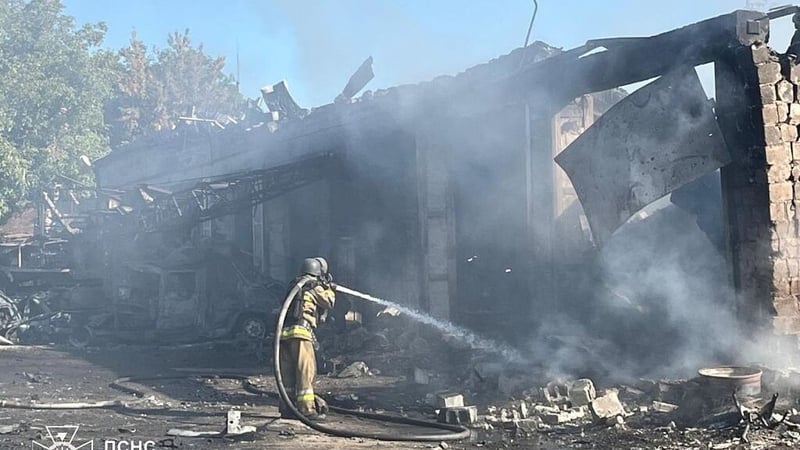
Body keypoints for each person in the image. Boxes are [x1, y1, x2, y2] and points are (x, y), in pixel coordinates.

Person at [278, 257, 336, 420]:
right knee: (305, 370)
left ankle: (287, 408)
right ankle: (306, 409)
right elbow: (329, 302)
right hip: (301, 332)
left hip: (283, 334)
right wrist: (329, 288)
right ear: (318, 272)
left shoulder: (294, 286)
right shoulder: (314, 286)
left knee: (287, 373)